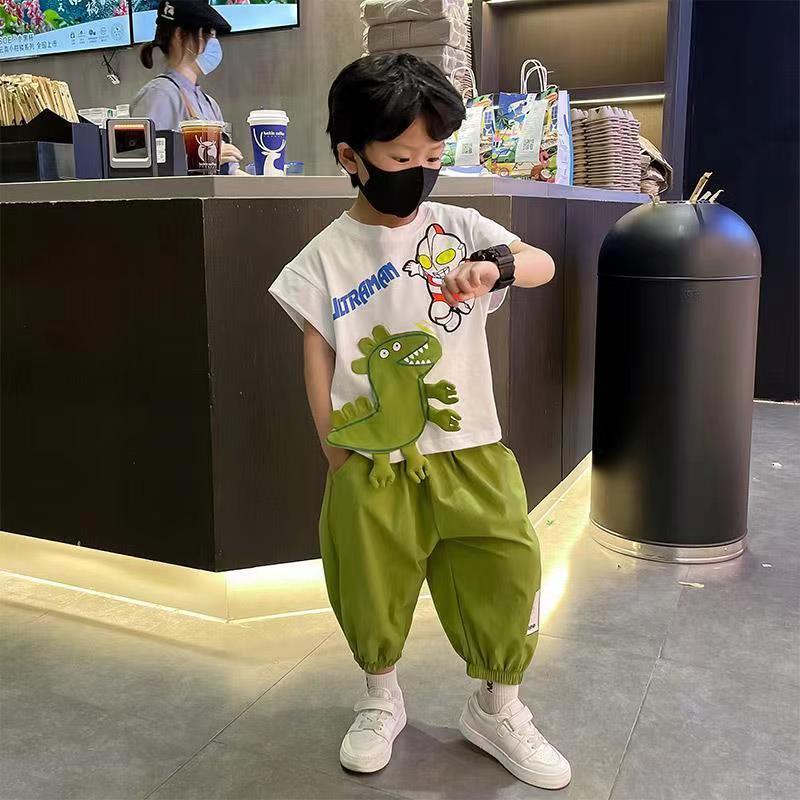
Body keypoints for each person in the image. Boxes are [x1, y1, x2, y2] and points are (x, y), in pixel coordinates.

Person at [269, 53, 571, 790]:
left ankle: (498, 707)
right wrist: (334, 451)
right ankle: (380, 698)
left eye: (433, 157)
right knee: (370, 579)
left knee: (505, 567)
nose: (421, 172)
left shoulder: (458, 226)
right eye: (402, 158)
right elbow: (317, 354)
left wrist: (495, 267)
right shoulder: (324, 258)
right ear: (352, 157)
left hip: (473, 448)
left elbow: (542, 263)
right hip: (372, 462)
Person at [131, 0, 243, 172]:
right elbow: (141, 167)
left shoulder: (209, 104)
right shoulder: (159, 95)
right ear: (179, 35)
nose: (213, 42)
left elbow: (230, 172)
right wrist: (202, 159)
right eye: (208, 34)